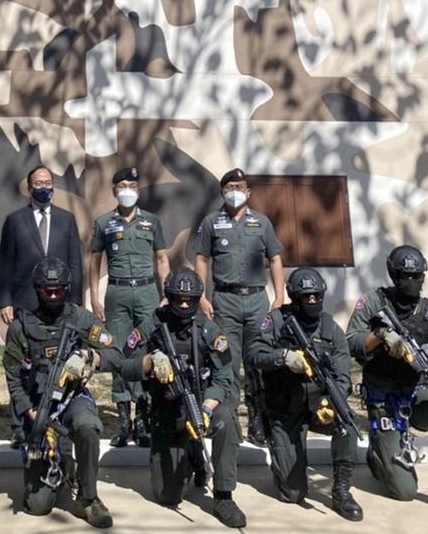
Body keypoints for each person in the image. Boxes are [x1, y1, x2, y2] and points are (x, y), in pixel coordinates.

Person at [346, 245, 428, 516]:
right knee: (404, 492)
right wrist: (379, 337)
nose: (412, 282)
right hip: (384, 398)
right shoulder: (372, 302)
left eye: (418, 276)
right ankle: (378, 454)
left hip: (417, 394)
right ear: (394, 274)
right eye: (406, 275)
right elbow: (351, 341)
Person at [118, 267, 246, 528]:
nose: (185, 304)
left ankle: (224, 495)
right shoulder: (153, 323)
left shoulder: (209, 330)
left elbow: (225, 378)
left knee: (227, 422)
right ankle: (190, 453)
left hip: (201, 404)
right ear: (169, 297)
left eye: (190, 300)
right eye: (179, 299)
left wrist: (208, 408)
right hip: (167, 411)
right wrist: (149, 362)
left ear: (198, 300)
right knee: (167, 496)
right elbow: (124, 364)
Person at [2, 257, 115, 528]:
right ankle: (65, 465)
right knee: (37, 507)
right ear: (37, 290)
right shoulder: (21, 327)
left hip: (72, 398)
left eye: (58, 289)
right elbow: (12, 375)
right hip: (37, 405)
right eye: (46, 290)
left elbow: (113, 350)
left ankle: (88, 497)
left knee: (88, 427)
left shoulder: (80, 317)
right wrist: (27, 410)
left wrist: (88, 356)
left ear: (67, 288)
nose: (53, 295)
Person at [247, 268, 363, 521]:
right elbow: (253, 353)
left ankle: (341, 490)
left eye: (317, 296)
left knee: (348, 425)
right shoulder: (276, 320)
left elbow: (342, 376)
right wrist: (283, 357)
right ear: (293, 297)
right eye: (306, 297)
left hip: (318, 407)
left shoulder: (331, 328)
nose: (312, 301)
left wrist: (330, 401)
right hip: (285, 409)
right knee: (292, 493)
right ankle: (275, 441)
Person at [193, 168, 284, 446]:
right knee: (227, 362)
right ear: (222, 192)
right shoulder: (211, 222)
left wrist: (279, 296)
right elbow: (201, 260)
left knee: (258, 361)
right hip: (225, 300)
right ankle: (228, 421)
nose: (235, 192)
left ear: (248, 192)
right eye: (229, 187)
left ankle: (258, 422)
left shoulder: (262, 222)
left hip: (257, 300)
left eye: (239, 187)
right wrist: (202, 297)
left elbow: (276, 259)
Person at [0, 165, 83, 447]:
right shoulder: (14, 220)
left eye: (48, 182)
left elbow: (74, 263)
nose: (43, 186)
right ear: (29, 187)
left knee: (55, 361)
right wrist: (6, 300)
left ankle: (57, 415)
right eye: (38, 182)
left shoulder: (66, 219)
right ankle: (19, 425)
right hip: (25, 302)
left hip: (59, 304)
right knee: (22, 364)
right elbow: (6, 263)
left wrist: (76, 303)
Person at [89, 166, 169, 448]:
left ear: (138, 190)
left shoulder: (152, 221)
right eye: (122, 185)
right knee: (120, 352)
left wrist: (165, 293)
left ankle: (144, 422)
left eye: (132, 186)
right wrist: (94, 297)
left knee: (146, 350)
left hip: (147, 291)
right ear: (114, 190)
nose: (127, 190)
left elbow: (161, 259)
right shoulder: (104, 223)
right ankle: (124, 423)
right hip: (117, 292)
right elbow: (94, 260)